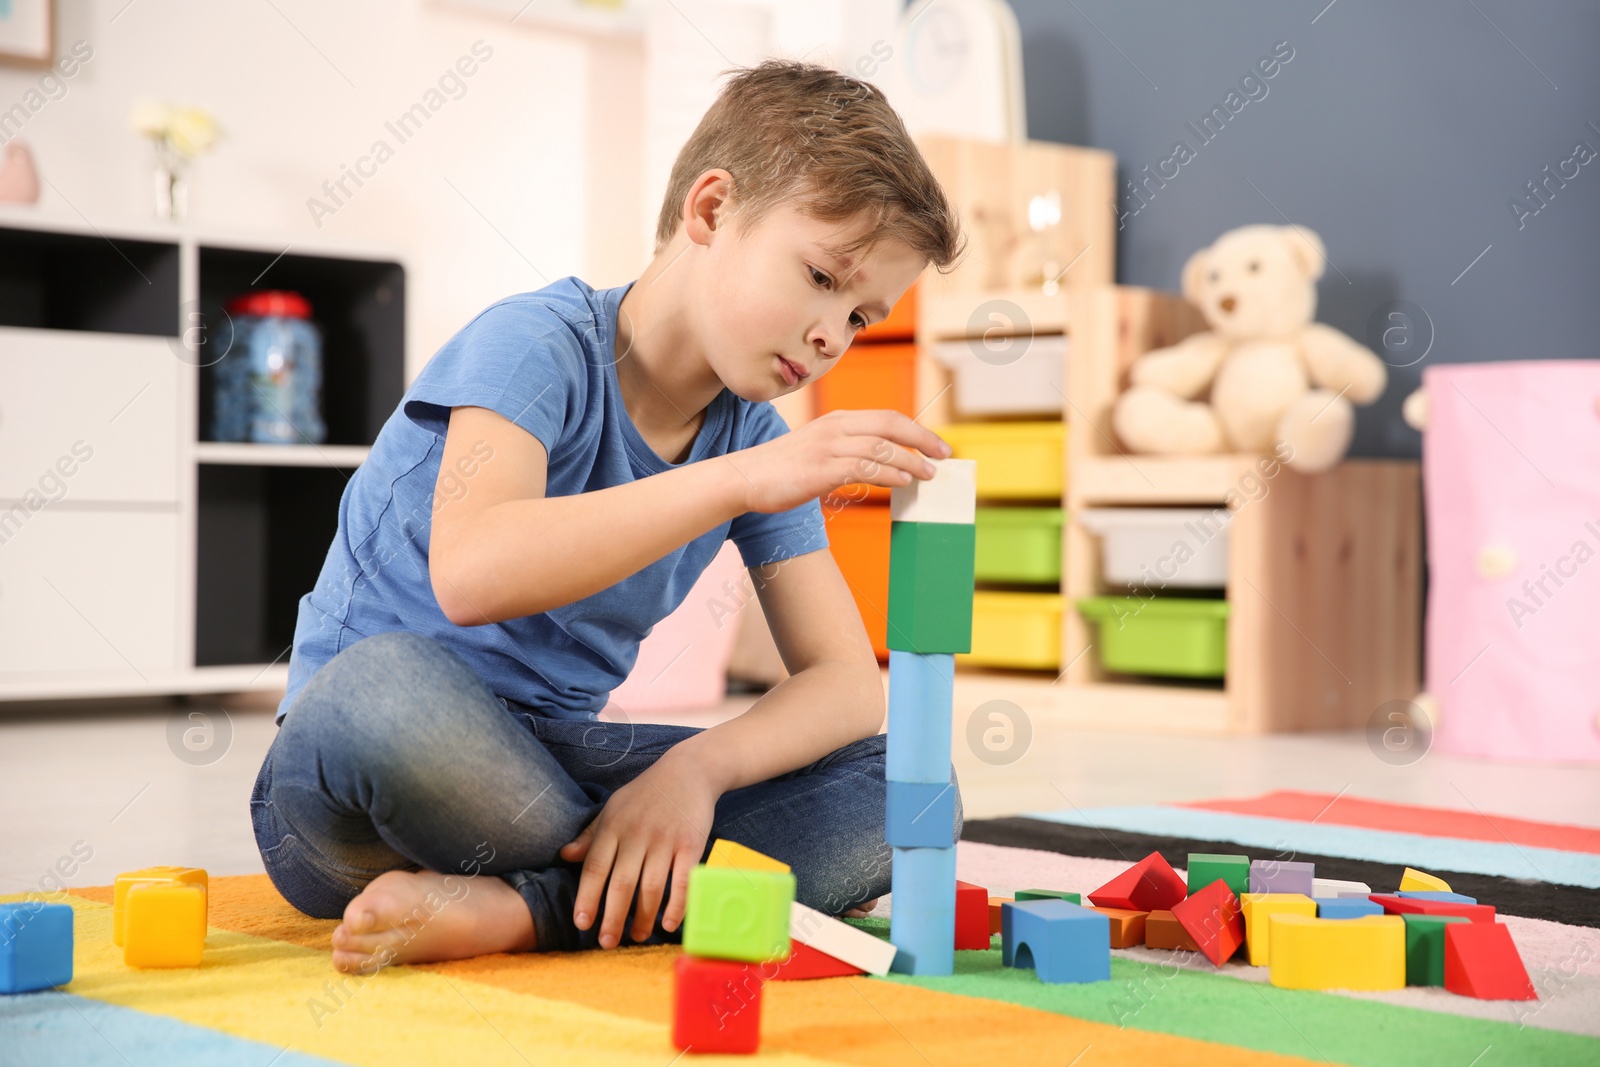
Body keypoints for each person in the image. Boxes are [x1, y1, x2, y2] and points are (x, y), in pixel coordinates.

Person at [250, 58, 965, 974]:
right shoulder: (536, 343)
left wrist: (692, 774)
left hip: (544, 768)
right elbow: (474, 573)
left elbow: (844, 685)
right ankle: (638, 891)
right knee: (381, 694)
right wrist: (740, 480)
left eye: (863, 317)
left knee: (911, 788)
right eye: (824, 277)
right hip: (363, 774)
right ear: (710, 211)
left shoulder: (746, 433)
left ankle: (527, 908)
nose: (833, 335)